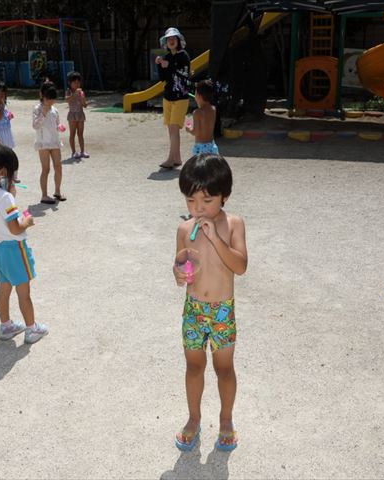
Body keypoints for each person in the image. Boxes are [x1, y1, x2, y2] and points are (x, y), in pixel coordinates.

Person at [172, 154, 247, 452]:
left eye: (207, 200)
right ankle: (194, 418)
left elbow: (240, 266)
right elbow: (181, 263)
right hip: (194, 309)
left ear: (224, 196)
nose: (198, 208)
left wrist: (216, 238)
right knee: (193, 367)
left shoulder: (233, 225)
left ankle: (226, 419)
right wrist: (179, 273)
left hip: (222, 311)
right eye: (191, 201)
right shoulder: (184, 230)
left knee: (224, 368)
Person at [0, 144, 49, 344]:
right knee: (24, 293)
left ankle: (6, 326)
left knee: (4, 288)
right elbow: (16, 229)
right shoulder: (5, 197)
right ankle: (32, 329)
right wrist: (27, 221)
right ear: (2, 172)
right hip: (15, 249)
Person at [156, 27, 191, 169]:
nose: (171, 41)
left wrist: (168, 65)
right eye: (168, 39)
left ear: (178, 40)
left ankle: (171, 159)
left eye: (173, 38)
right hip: (168, 97)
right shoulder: (167, 56)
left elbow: (183, 74)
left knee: (174, 128)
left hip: (180, 98)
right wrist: (160, 65)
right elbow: (163, 78)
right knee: (172, 130)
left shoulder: (183, 55)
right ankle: (177, 158)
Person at [33, 79, 65, 204]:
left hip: (55, 141)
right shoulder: (37, 109)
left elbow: (57, 123)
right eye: (49, 98)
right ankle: (44, 195)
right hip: (43, 143)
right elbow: (35, 125)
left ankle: (57, 191)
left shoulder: (54, 110)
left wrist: (60, 126)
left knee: (58, 166)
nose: (51, 101)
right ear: (42, 96)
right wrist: (43, 114)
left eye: (53, 99)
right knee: (45, 169)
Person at [186, 79, 218, 155]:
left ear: (199, 96)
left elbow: (195, 132)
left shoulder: (197, 113)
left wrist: (189, 129)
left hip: (200, 148)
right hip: (212, 146)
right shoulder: (213, 109)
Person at [64, 71, 89, 160]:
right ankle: (74, 152)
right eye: (74, 82)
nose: (77, 84)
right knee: (72, 134)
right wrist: (74, 94)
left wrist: (83, 100)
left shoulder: (81, 92)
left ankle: (82, 151)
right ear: (70, 83)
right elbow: (66, 100)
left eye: (78, 82)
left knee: (80, 134)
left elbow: (85, 105)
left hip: (80, 114)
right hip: (72, 115)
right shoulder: (68, 91)